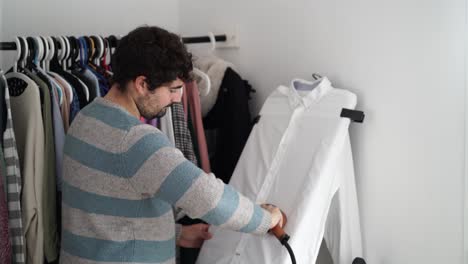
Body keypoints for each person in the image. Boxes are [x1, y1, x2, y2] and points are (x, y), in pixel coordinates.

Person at [60, 26, 284, 264]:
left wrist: (175, 234)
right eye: (173, 89)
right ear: (142, 84)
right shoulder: (137, 141)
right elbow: (208, 198)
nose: (177, 99)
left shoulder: (84, 119)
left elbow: (104, 213)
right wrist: (265, 219)